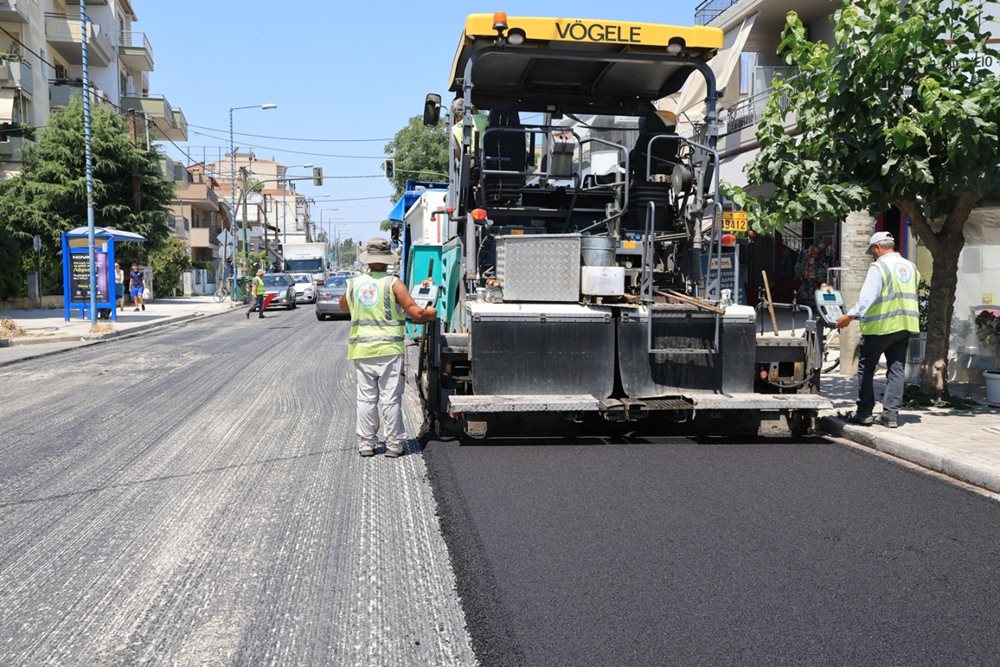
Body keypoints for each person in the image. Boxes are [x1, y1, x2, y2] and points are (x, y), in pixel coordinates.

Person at [339, 238, 437, 458]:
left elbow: (343, 305)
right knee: (390, 398)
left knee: (366, 399)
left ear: (368, 260)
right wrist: (432, 314)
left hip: (362, 351)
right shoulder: (393, 283)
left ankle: (366, 444)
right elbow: (416, 313)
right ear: (387, 260)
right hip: (389, 351)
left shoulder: (355, 283)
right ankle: (394, 445)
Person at [836, 231, 920, 429]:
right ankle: (890, 415)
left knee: (866, 368)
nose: (873, 254)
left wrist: (849, 316)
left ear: (877, 248)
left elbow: (868, 297)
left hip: (880, 327)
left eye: (872, 251)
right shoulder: (910, 266)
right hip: (905, 325)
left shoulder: (879, 267)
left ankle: (864, 412)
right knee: (897, 370)